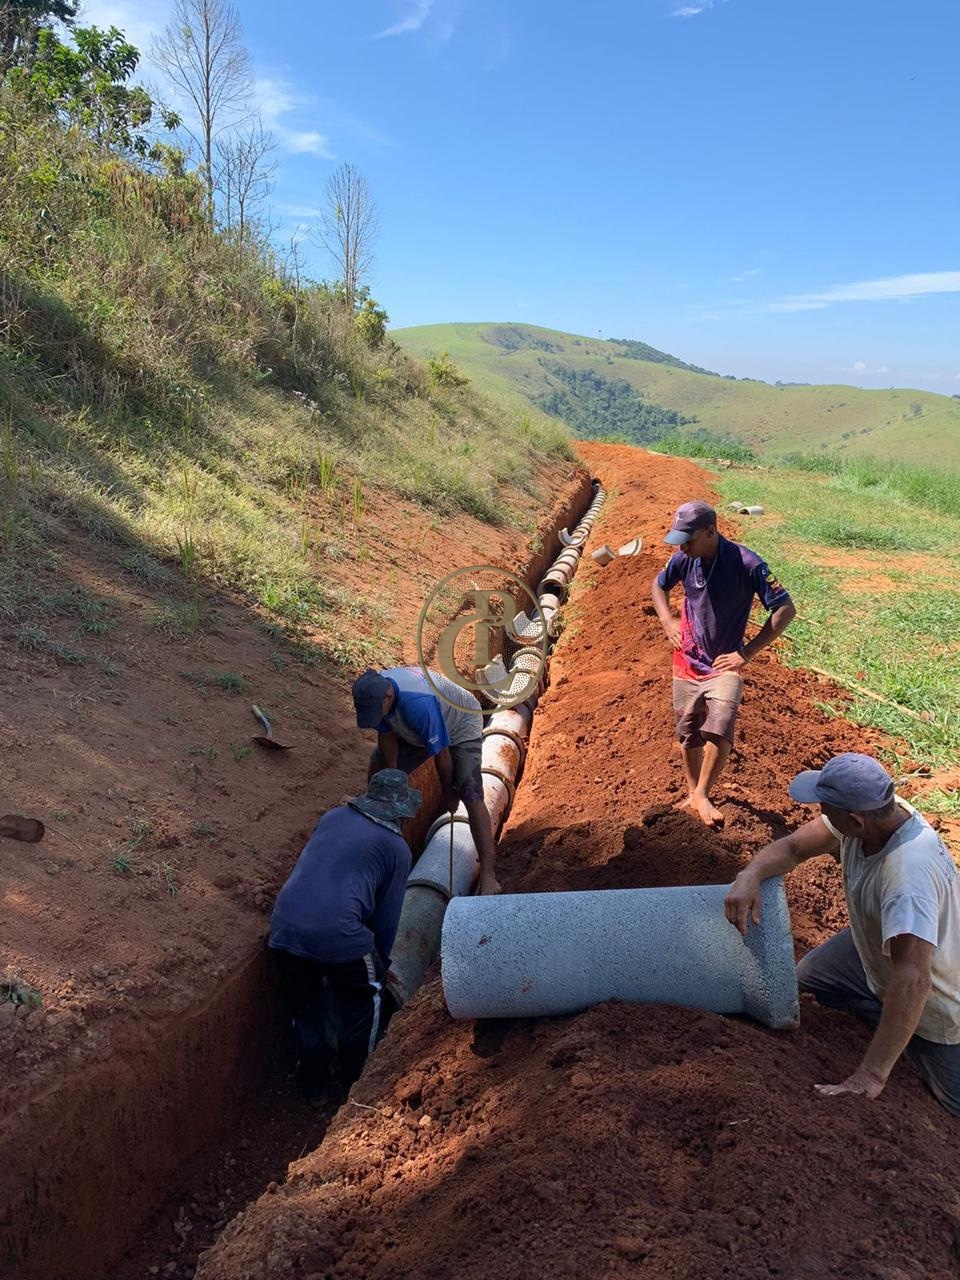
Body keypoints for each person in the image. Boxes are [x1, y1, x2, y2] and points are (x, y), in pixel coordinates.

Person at [724, 753, 960, 1115]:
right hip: (876, 949)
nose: (820, 812)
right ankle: (886, 1015)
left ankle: (902, 1032)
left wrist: (871, 1075)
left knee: (953, 1103)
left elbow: (914, 978)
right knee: (808, 978)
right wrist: (751, 873)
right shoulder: (882, 813)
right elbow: (792, 847)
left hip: (939, 999)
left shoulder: (906, 877)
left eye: (825, 806)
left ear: (854, 820)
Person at [268, 769, 420, 1102]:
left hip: (284, 929)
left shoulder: (334, 816)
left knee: (305, 1008)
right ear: (400, 812)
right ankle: (354, 1085)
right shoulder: (396, 848)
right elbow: (385, 922)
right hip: (339, 934)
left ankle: (313, 1084)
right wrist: (380, 966)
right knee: (368, 999)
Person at [651, 500, 795, 827]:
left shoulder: (746, 563)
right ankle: (693, 792)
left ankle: (702, 791)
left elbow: (785, 609)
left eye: (688, 539)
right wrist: (666, 620)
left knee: (720, 724)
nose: (682, 546)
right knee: (688, 731)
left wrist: (747, 652)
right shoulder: (684, 560)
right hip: (686, 660)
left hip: (723, 663)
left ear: (710, 531)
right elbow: (658, 586)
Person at [352, 665, 501, 895]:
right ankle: (375, 822)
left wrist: (448, 795)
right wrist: (392, 782)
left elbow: (441, 754)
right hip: (418, 729)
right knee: (378, 761)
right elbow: (387, 735)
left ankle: (489, 874)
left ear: (388, 697)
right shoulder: (377, 693)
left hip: (461, 722)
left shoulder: (418, 704)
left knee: (469, 790)